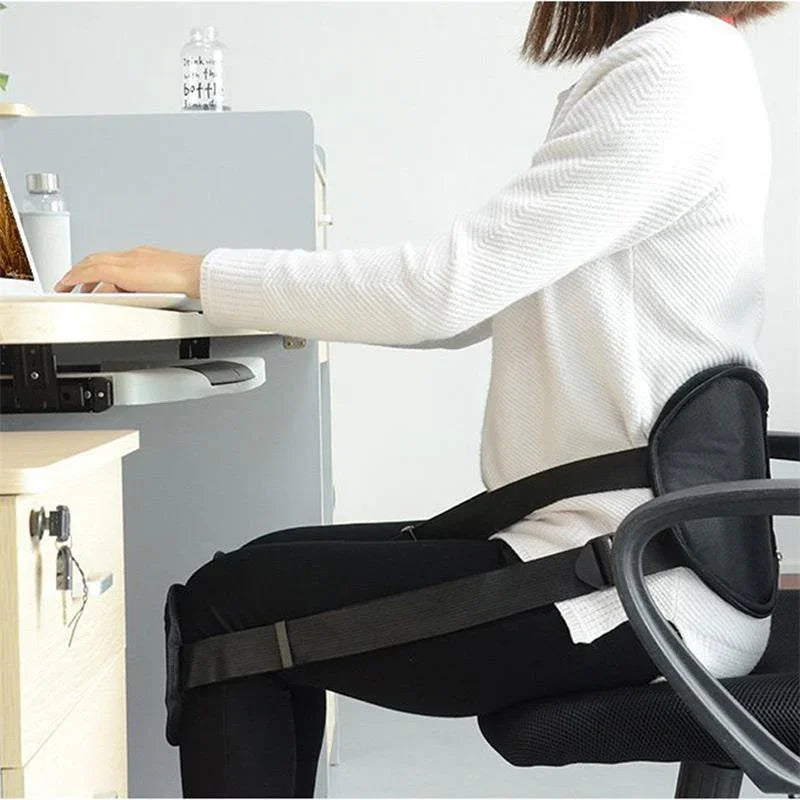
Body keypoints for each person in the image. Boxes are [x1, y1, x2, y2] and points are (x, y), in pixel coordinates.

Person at [55, 2, 786, 796]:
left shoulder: (672, 70)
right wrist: (224, 287)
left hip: (633, 583)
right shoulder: (693, 66)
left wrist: (200, 273)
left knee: (229, 614)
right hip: (635, 551)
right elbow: (472, 302)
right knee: (252, 576)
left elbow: (443, 291)